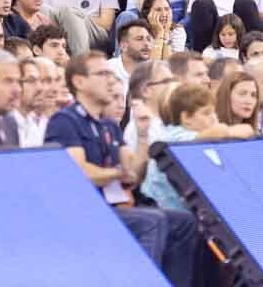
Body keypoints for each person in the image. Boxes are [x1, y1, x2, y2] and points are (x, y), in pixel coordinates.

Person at [46, 51, 197, 284]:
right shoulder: (65, 121)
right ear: (79, 82)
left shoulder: (108, 125)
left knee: (183, 221)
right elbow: (77, 172)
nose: (109, 79)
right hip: (84, 210)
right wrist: (117, 173)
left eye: (109, 73)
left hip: (115, 206)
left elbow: (133, 173)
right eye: (102, 73)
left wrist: (144, 135)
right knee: (152, 221)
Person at [108, 20, 154, 87]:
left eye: (148, 39)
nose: (146, 44)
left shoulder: (155, 72)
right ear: (123, 46)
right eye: (139, 39)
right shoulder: (107, 70)